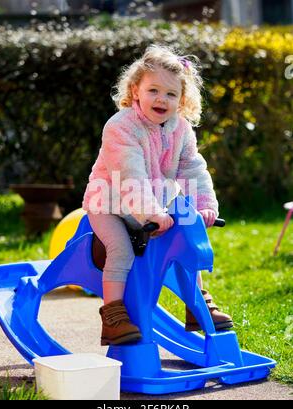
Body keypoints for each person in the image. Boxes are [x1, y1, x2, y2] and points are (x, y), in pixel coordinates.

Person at [82, 44, 233, 346]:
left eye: (171, 94)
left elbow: (193, 169)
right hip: (110, 202)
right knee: (121, 249)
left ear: (182, 101)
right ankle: (113, 315)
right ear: (136, 90)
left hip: (158, 203)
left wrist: (204, 205)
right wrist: (150, 212)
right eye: (153, 90)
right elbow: (130, 174)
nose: (161, 99)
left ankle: (197, 304)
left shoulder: (181, 130)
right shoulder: (121, 126)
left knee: (186, 237)